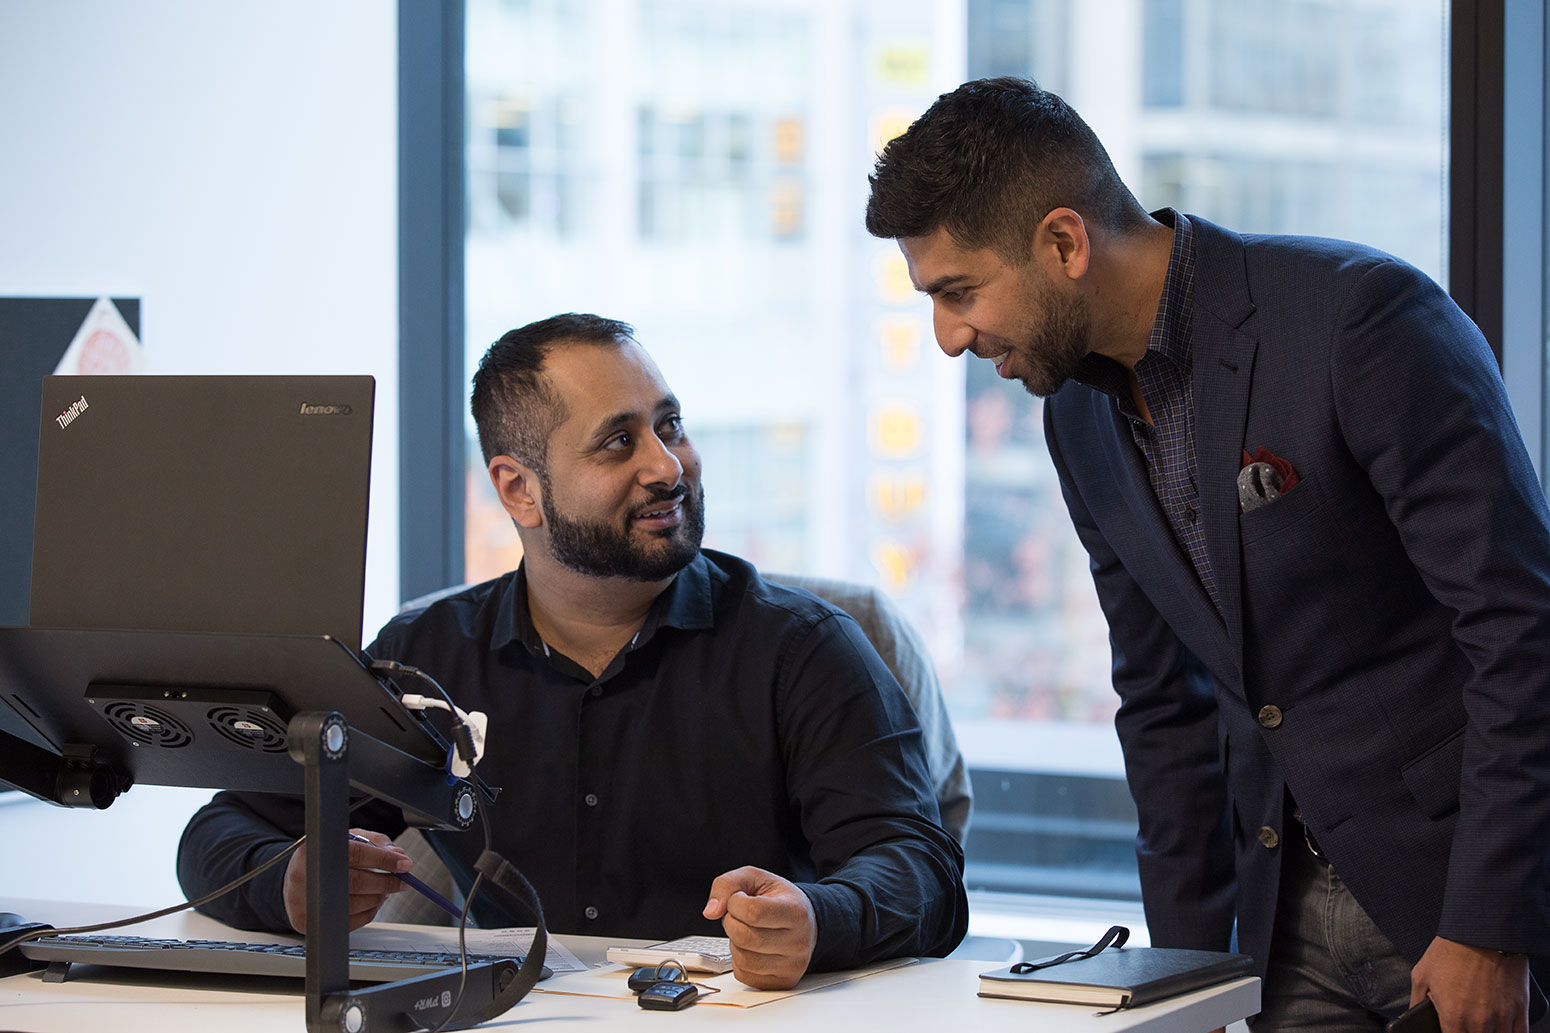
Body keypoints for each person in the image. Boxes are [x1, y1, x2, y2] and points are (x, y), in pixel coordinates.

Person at [865, 77, 1550, 1031]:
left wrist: (1490, 922)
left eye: (958, 291)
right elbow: (1161, 703)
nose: (947, 338)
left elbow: (1522, 632)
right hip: (1276, 928)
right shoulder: (1077, 419)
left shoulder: (1361, 324)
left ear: (1065, 243)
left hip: (1460, 900)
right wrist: (1184, 985)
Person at [178, 313, 968, 989]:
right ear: (519, 489)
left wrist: (817, 917)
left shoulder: (804, 648)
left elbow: (922, 868)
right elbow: (222, 831)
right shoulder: (428, 657)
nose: (667, 465)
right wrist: (287, 885)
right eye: (618, 442)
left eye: (671, 425)